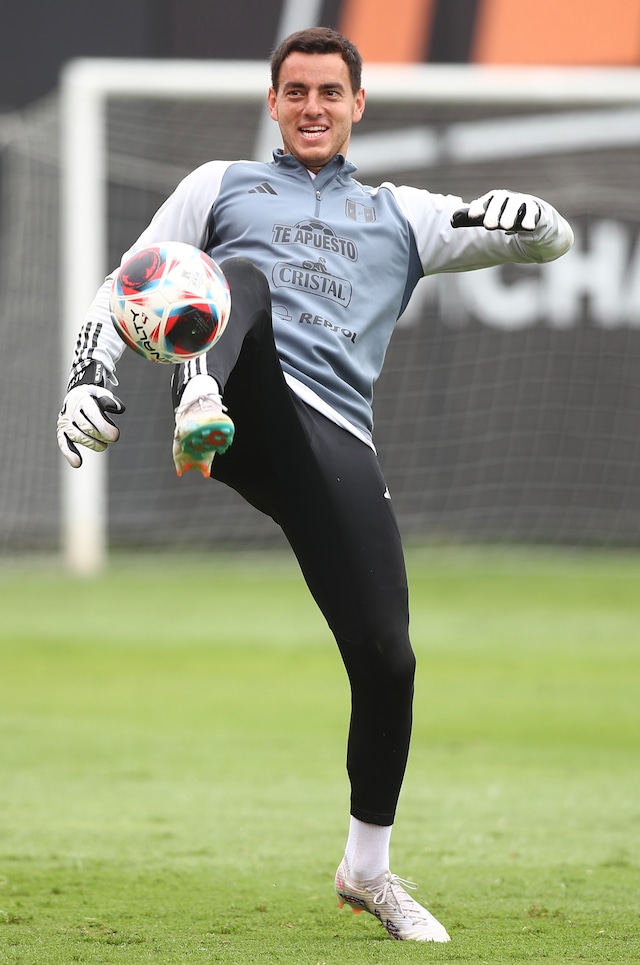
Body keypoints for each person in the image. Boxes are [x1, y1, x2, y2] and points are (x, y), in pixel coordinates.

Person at [56, 26, 574, 942]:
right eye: (295, 91)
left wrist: (537, 218)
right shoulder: (218, 184)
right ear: (273, 102)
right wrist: (88, 378)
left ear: (357, 104)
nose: (312, 107)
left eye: (329, 92)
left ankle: (367, 870)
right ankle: (199, 394)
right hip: (234, 399)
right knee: (240, 275)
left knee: (388, 660)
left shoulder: (402, 214)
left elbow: (544, 244)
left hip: (330, 442)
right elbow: (123, 285)